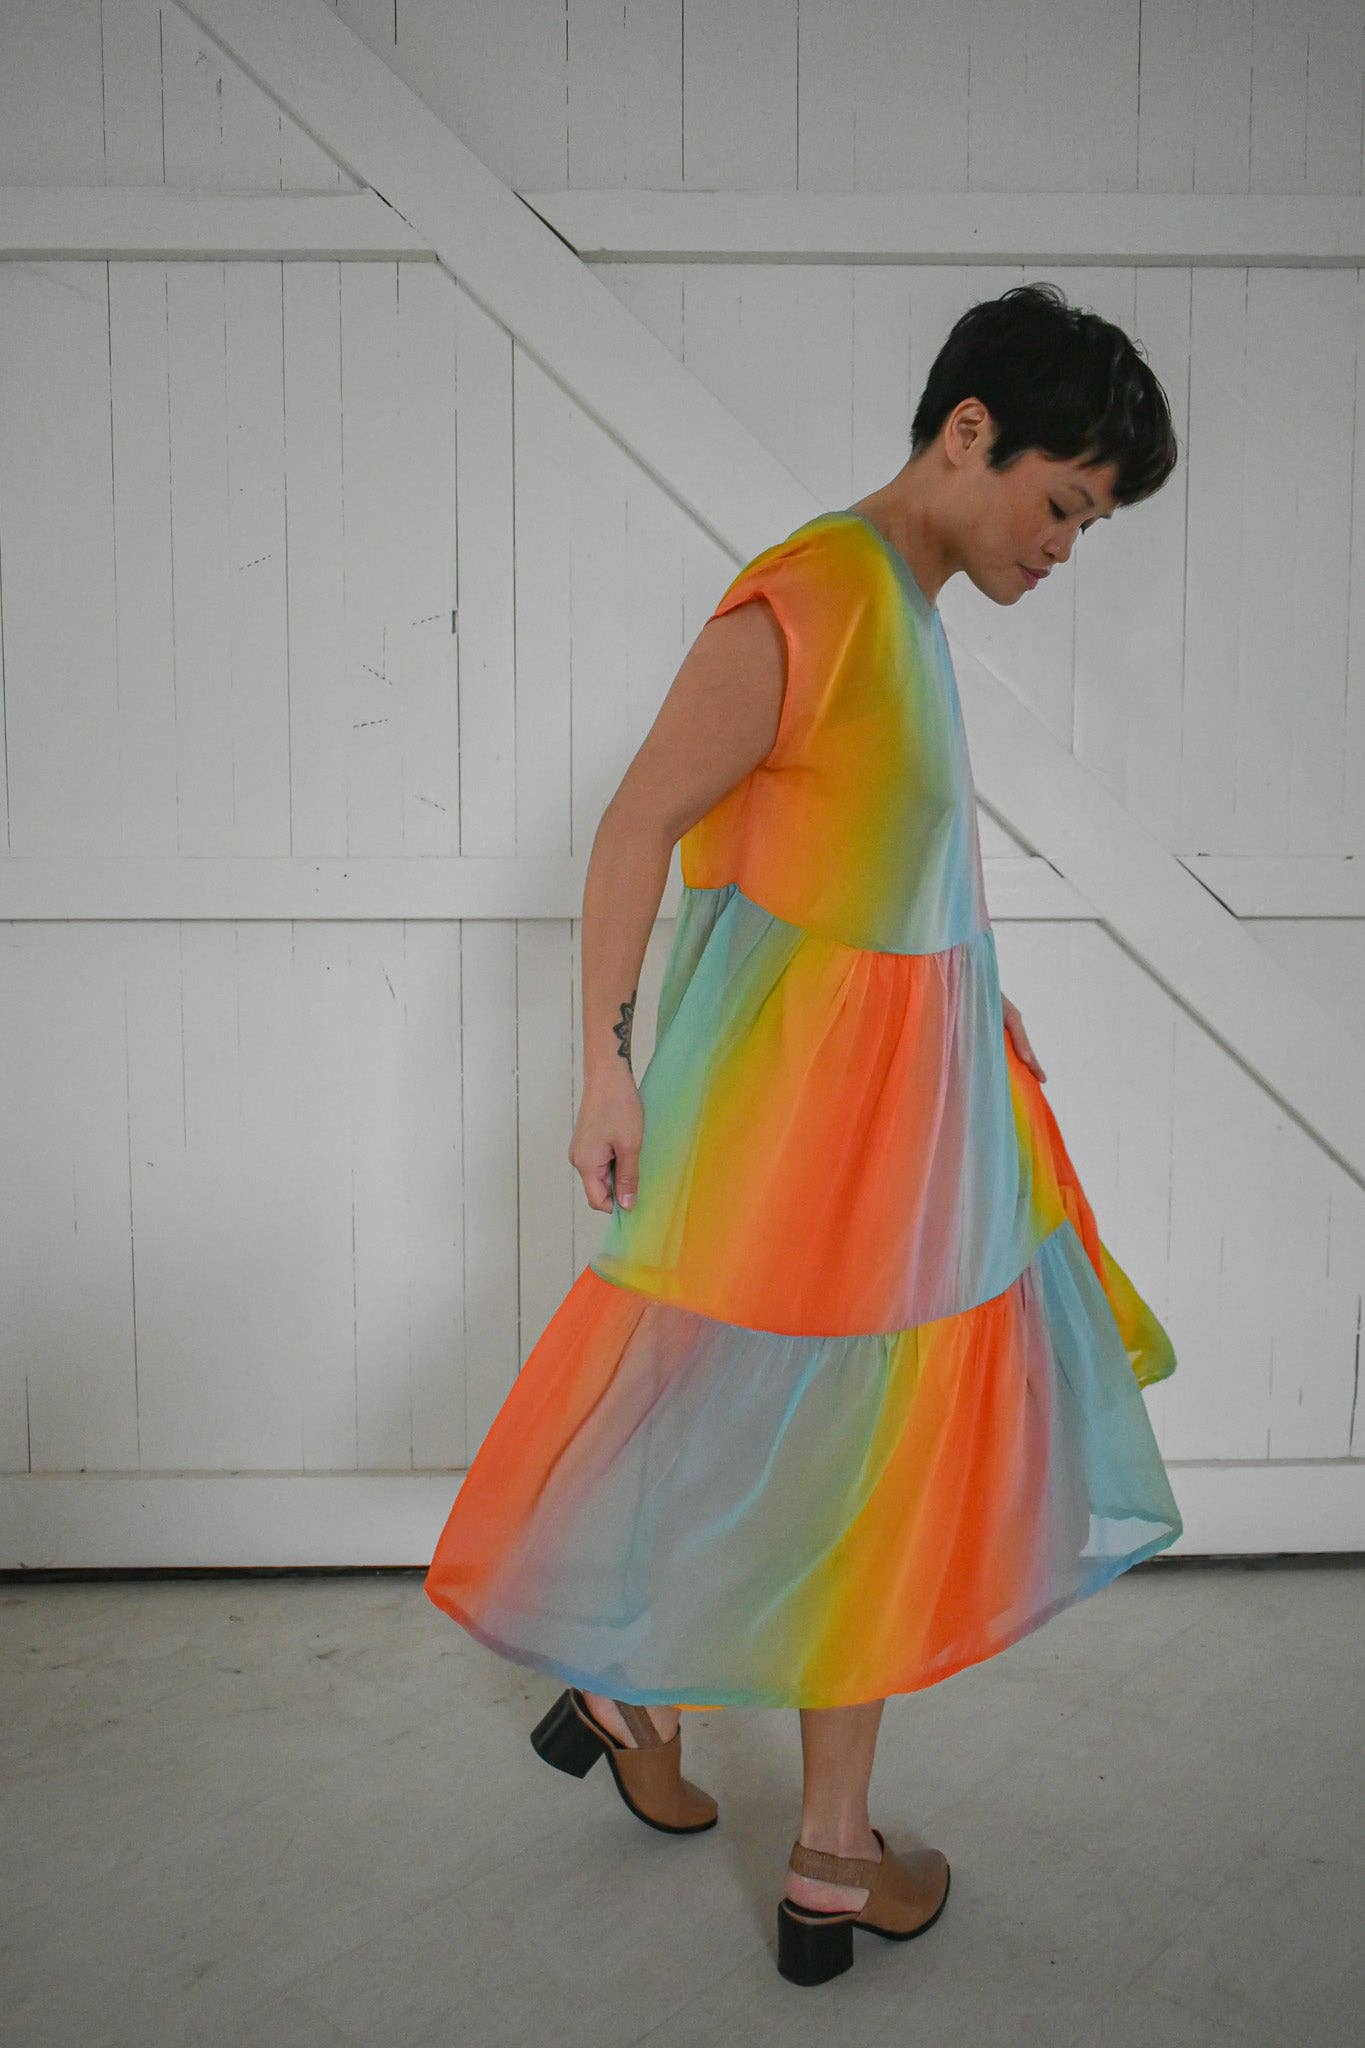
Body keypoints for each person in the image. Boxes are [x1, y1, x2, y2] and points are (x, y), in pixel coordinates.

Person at [425, 280, 1184, 1987]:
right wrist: (604, 1071)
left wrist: (975, 1002)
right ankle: (820, 1844)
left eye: (1089, 523)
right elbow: (635, 826)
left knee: (829, 1446)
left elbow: (876, 860)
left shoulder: (902, 611)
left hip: (901, 1122)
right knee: (855, 1457)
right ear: (968, 432)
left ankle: (648, 1711)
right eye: (1062, 503)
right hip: (819, 1139)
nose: (1065, 547)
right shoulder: (815, 598)